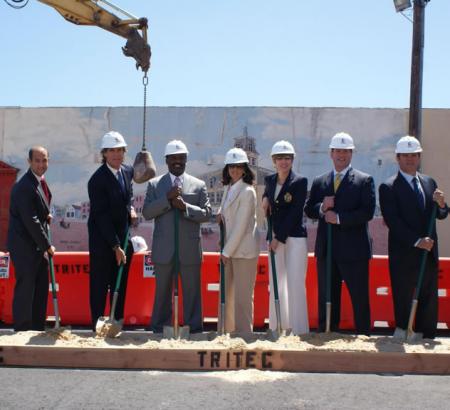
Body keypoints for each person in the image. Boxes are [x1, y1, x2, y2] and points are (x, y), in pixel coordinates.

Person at [304, 132, 375, 335]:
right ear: (331, 153)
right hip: (327, 250)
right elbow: (309, 209)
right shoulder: (320, 181)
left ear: (351, 154)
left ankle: (363, 335)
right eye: (337, 151)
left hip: (355, 251)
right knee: (327, 296)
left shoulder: (364, 180)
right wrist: (321, 208)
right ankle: (327, 333)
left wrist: (340, 218)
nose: (341, 155)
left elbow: (367, 212)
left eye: (345, 151)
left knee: (359, 296)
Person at [379, 136, 448, 340]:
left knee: (428, 299)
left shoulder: (429, 182)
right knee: (404, 297)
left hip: (428, 254)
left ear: (419, 157)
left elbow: (440, 214)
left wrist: (442, 204)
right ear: (398, 158)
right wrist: (418, 241)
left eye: (414, 155)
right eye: (405, 155)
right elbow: (394, 222)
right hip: (404, 254)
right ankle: (405, 334)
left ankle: (427, 338)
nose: (410, 159)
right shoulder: (388, 186)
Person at [143, 140, 211, 333]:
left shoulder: (198, 185)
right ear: (166, 160)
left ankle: (194, 329)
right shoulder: (155, 185)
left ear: (186, 159)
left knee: (192, 293)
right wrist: (167, 199)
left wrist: (186, 207)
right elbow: (147, 212)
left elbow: (206, 214)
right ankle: (159, 330)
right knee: (162, 293)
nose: (177, 161)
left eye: (181, 157)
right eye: (173, 158)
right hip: (164, 251)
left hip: (189, 250)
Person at [87, 131, 137, 331]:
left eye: (120, 150)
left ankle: (117, 322)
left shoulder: (126, 171)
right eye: (112, 151)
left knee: (120, 284)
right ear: (104, 153)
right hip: (103, 242)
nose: (117, 154)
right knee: (100, 286)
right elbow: (101, 216)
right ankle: (97, 326)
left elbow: (128, 196)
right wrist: (115, 245)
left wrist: (130, 209)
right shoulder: (97, 180)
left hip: (123, 239)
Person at [262, 140, 309, 335]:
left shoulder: (300, 181)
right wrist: (265, 198)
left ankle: (298, 329)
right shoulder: (270, 180)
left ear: (292, 160)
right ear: (273, 160)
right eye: (280, 158)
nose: (283, 162)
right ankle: (277, 326)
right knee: (276, 283)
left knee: (295, 282)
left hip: (294, 239)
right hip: (274, 237)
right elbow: (268, 195)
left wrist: (278, 238)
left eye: (287, 158)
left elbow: (295, 213)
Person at [7, 146, 55, 331]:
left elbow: (38, 211)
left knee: (41, 287)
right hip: (24, 246)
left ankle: (37, 328)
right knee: (26, 288)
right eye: (37, 160)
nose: (41, 164)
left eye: (44, 160)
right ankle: (22, 330)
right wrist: (47, 245)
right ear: (29, 162)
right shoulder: (24, 186)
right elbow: (30, 220)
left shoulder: (39, 182)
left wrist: (46, 215)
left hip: (36, 246)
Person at [216, 147, 259, 334]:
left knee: (242, 297)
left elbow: (241, 227)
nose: (234, 170)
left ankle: (244, 336)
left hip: (242, 251)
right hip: (229, 249)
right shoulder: (228, 188)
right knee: (226, 295)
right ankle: (225, 333)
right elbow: (227, 214)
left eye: (238, 166)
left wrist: (226, 252)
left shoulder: (248, 191)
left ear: (244, 169)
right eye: (231, 166)